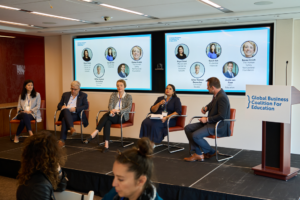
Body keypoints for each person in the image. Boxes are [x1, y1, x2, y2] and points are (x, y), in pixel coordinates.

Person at [184, 77, 230, 162]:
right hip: (211, 123)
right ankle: (199, 153)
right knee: (188, 128)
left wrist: (207, 119)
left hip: (218, 126)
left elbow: (222, 116)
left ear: (213, 87)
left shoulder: (222, 97)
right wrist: (206, 107)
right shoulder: (217, 95)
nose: (206, 88)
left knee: (195, 135)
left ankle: (209, 152)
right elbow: (212, 104)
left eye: (208, 86)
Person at [83, 80, 132, 152]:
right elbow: (110, 105)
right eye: (118, 85)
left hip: (122, 116)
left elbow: (128, 108)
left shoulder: (128, 96)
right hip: (112, 115)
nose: (119, 87)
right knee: (107, 122)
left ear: (124, 86)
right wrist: (111, 111)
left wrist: (117, 111)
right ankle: (106, 146)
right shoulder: (113, 95)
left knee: (106, 116)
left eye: (121, 85)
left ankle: (95, 133)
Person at [16, 131, 67, 200]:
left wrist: (59, 172)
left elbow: (60, 187)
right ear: (51, 156)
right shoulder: (41, 186)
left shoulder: (33, 174)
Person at [57, 81, 88, 148]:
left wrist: (75, 109)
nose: (73, 91)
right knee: (65, 110)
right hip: (65, 112)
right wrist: (62, 107)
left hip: (75, 114)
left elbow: (86, 106)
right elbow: (59, 105)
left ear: (79, 89)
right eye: (71, 89)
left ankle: (62, 140)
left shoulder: (83, 95)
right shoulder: (65, 94)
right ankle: (71, 128)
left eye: (75, 89)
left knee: (64, 119)